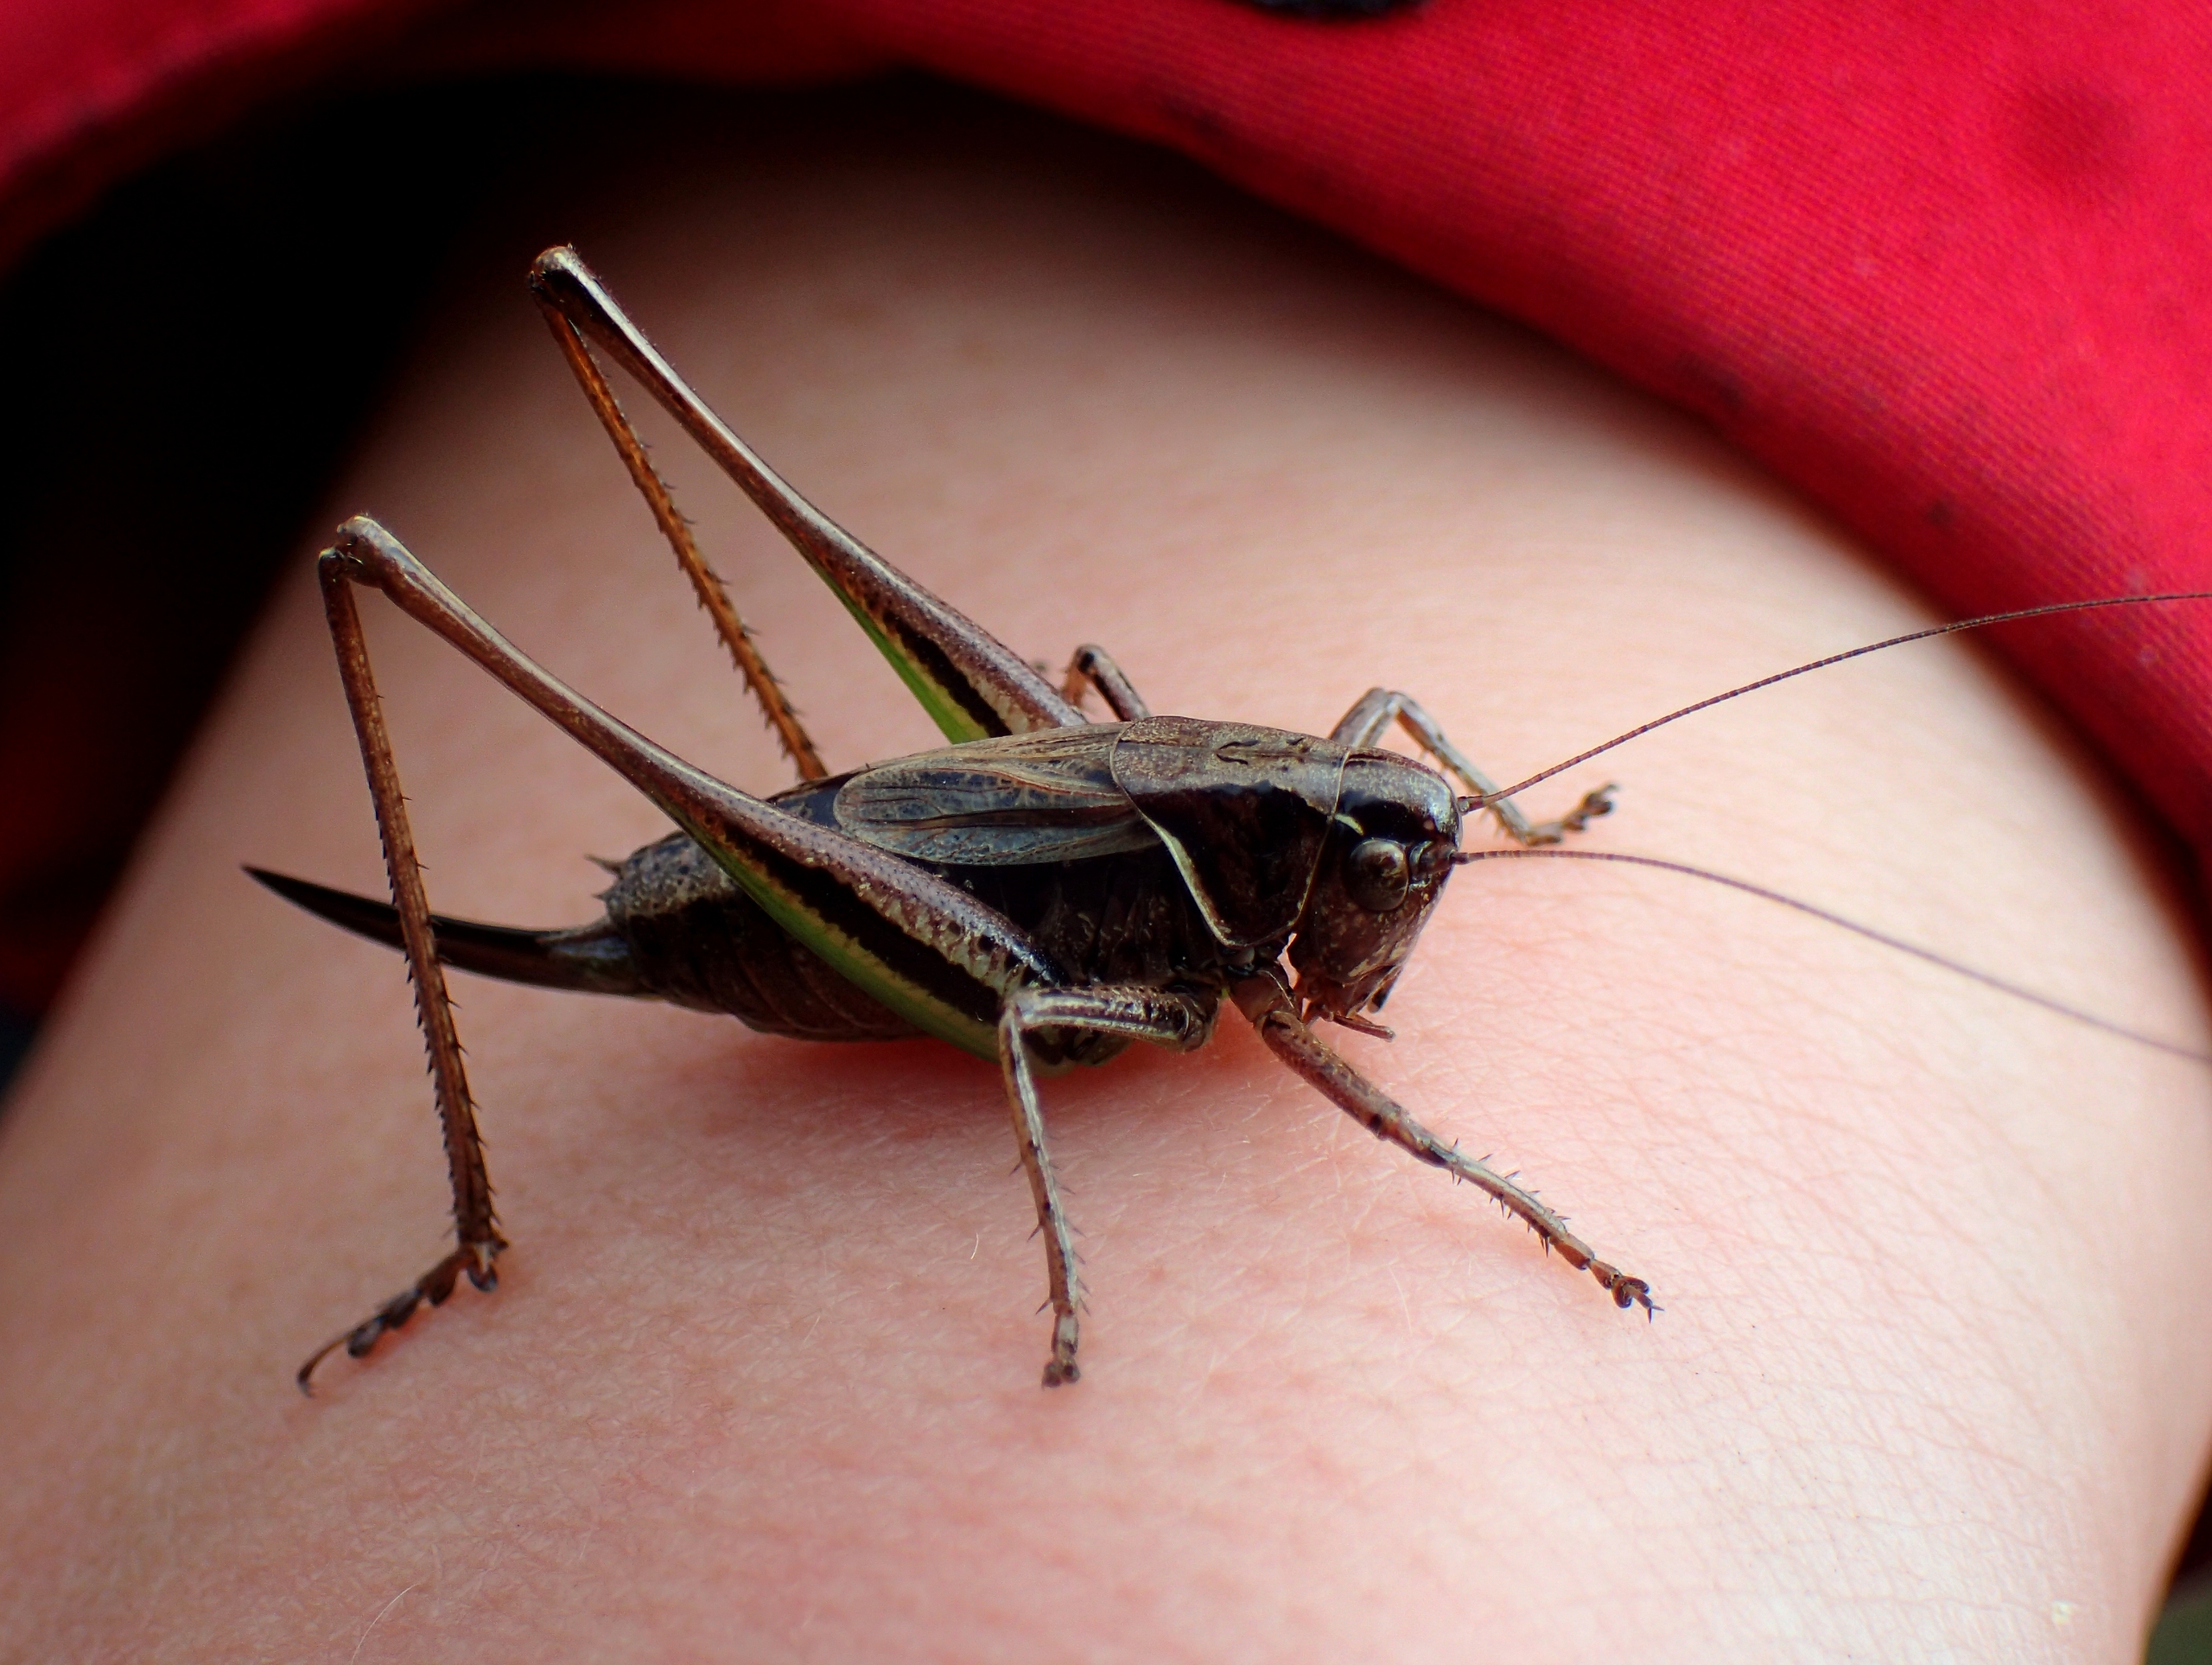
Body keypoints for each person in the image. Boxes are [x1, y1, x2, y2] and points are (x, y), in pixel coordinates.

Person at [1, 81, 2207, 1658]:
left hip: (918, 832)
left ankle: (784, 837)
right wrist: (1443, 1216)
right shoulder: (1200, 957)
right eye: (1385, 868)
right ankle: (475, 1226)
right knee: (977, 938)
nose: (1399, 897)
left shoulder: (1348, 781)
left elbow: (1378, 735)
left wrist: (1508, 823)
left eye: (1413, 858)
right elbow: (1053, 1029)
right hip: (880, 924)